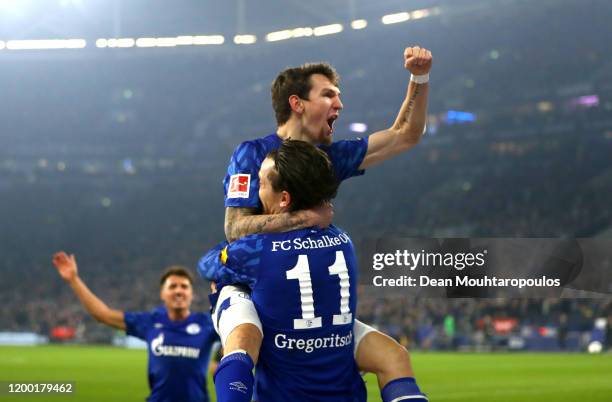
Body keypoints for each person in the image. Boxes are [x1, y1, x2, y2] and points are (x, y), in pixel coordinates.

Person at [219, 46, 432, 401]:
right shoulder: (251, 154)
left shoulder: (330, 155)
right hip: (256, 284)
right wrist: (305, 218)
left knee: (394, 355)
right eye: (328, 94)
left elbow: (405, 134)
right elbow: (235, 228)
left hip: (307, 295)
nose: (340, 104)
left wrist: (419, 77)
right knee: (245, 339)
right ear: (297, 103)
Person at [200, 140, 427, 401]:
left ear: (284, 198)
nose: (257, 191)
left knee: (229, 292)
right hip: (341, 381)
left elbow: (207, 265)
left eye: (261, 184)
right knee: (394, 355)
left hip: (286, 389)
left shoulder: (257, 249)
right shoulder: (342, 240)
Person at [52, 253, 219, 402]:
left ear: (191, 293)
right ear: (162, 293)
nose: (178, 291)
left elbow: (236, 332)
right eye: (172, 286)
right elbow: (103, 315)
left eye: (184, 286)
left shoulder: (205, 323)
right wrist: (74, 280)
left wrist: (221, 357)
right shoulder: (150, 322)